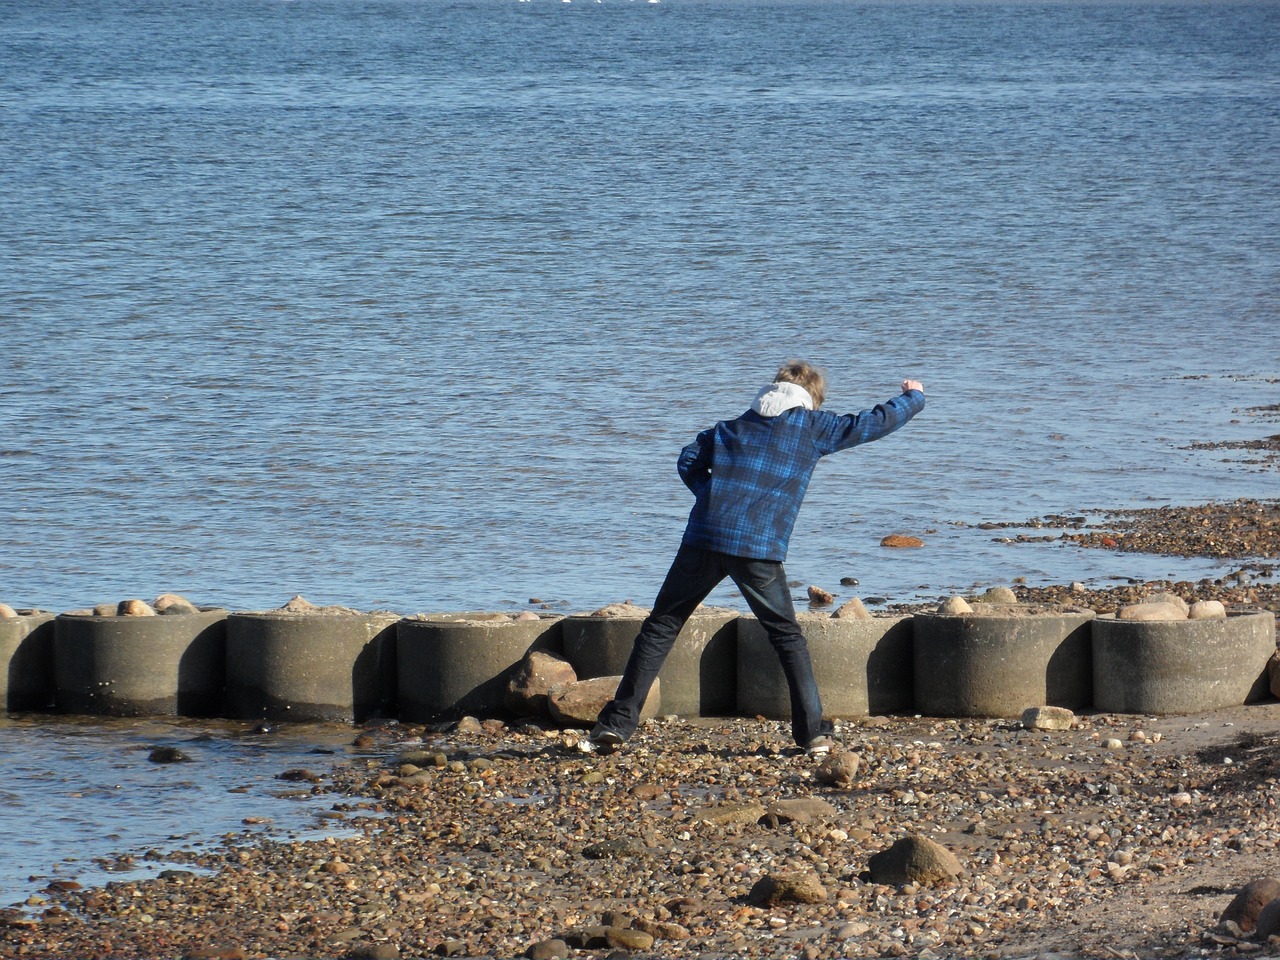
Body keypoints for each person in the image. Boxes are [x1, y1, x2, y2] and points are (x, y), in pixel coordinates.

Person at [582, 360, 926, 757]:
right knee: (786, 637)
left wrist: (714, 499)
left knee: (661, 629)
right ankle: (813, 733)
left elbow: (688, 460)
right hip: (757, 549)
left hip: (704, 538)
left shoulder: (731, 427)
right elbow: (871, 423)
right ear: (811, 398)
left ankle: (614, 726)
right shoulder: (812, 427)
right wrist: (913, 397)